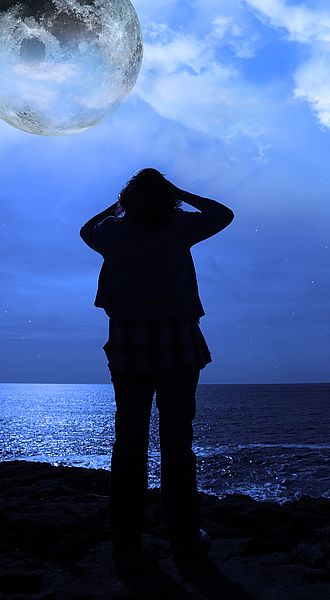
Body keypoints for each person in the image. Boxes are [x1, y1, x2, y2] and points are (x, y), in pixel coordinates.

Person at [80, 168, 234, 564]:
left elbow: (86, 229)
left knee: (129, 442)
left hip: (129, 342)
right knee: (178, 442)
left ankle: (126, 539)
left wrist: (119, 206)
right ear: (168, 198)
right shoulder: (180, 226)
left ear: (127, 200)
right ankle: (182, 536)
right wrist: (181, 192)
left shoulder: (113, 233)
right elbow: (223, 214)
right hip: (178, 339)